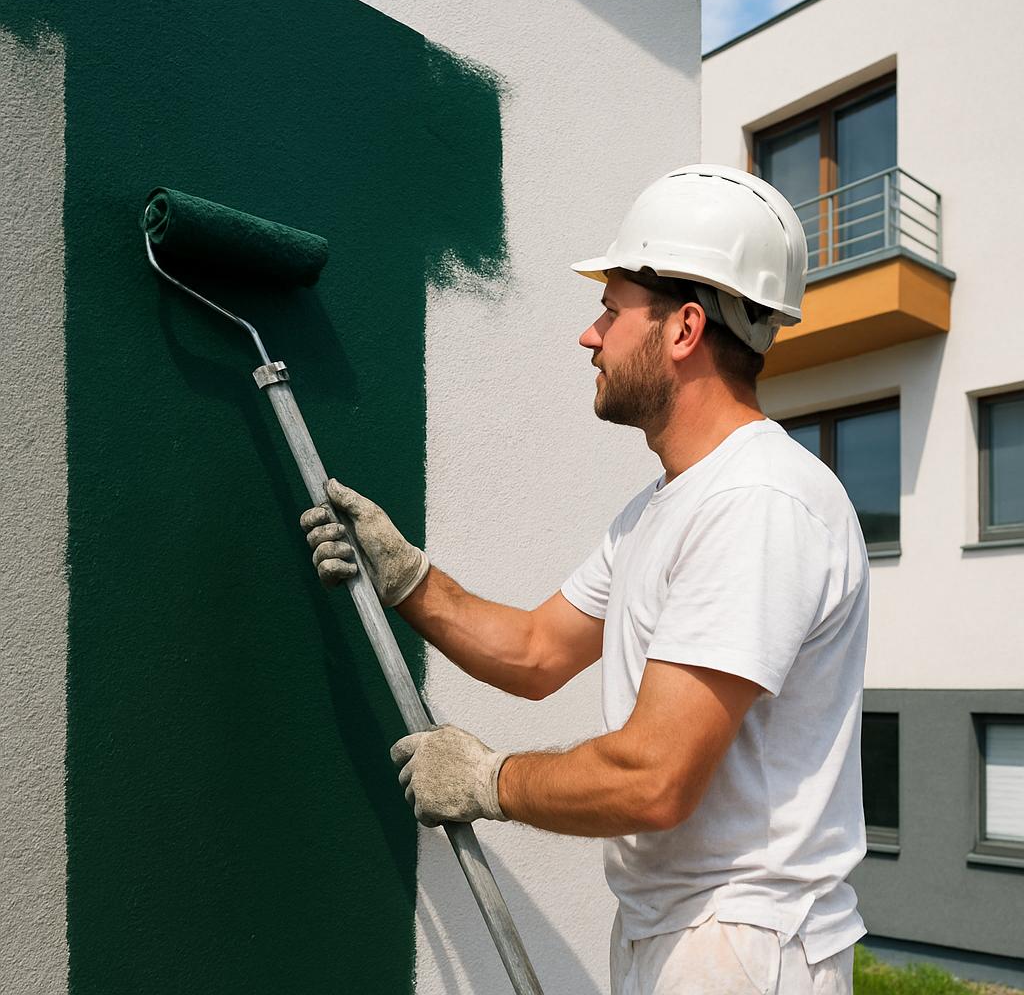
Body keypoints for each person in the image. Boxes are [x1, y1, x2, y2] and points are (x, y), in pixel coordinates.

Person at [300, 165, 869, 994]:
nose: (589, 336)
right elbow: (535, 652)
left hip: (743, 943)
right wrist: (406, 576)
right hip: (675, 933)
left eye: (610, 310)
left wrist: (488, 782)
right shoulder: (664, 508)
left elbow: (655, 778)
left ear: (682, 329)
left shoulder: (759, 505)